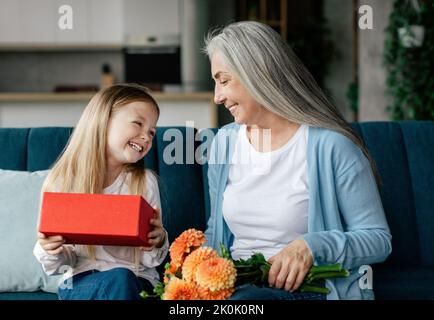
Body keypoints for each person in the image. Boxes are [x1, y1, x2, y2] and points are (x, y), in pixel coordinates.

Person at [203, 21, 392, 300]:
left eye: (224, 80)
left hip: (307, 289)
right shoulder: (223, 143)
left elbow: (378, 239)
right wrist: (193, 270)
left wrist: (311, 246)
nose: (217, 97)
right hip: (236, 286)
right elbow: (214, 229)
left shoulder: (331, 147)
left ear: (257, 72)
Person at [33, 84, 169, 300]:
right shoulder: (63, 180)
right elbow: (58, 265)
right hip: (82, 281)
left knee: (122, 279)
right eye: (138, 123)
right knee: (118, 280)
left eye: (152, 132)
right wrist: (51, 248)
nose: (146, 137)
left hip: (139, 280)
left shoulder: (145, 183)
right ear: (103, 121)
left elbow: (150, 261)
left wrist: (158, 241)